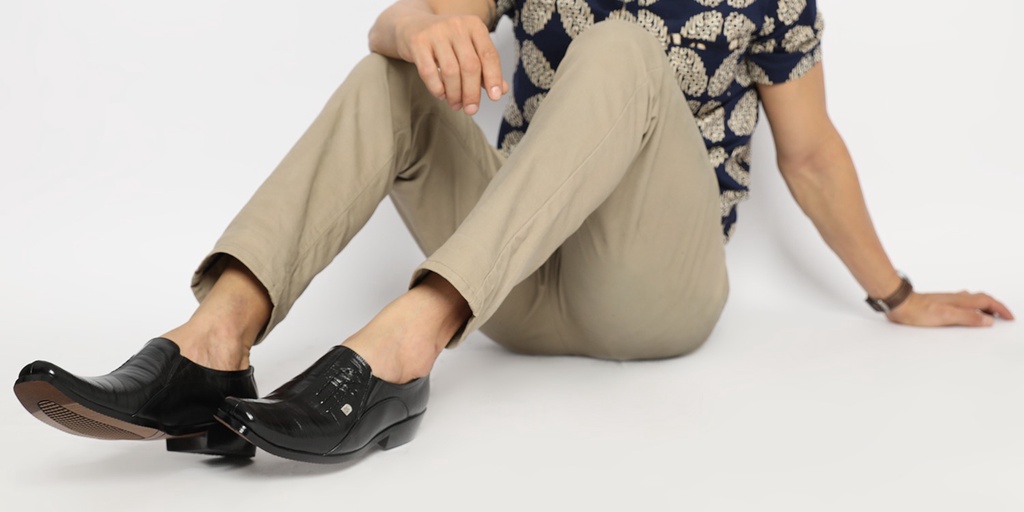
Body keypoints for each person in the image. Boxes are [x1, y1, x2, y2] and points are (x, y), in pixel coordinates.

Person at [13, 0, 1014, 464]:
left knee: (624, 45)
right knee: (391, 71)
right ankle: (213, 344)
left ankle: (405, 342)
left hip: (651, 292)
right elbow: (400, 28)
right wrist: (416, 27)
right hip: (509, 282)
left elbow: (812, 155)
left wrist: (896, 293)